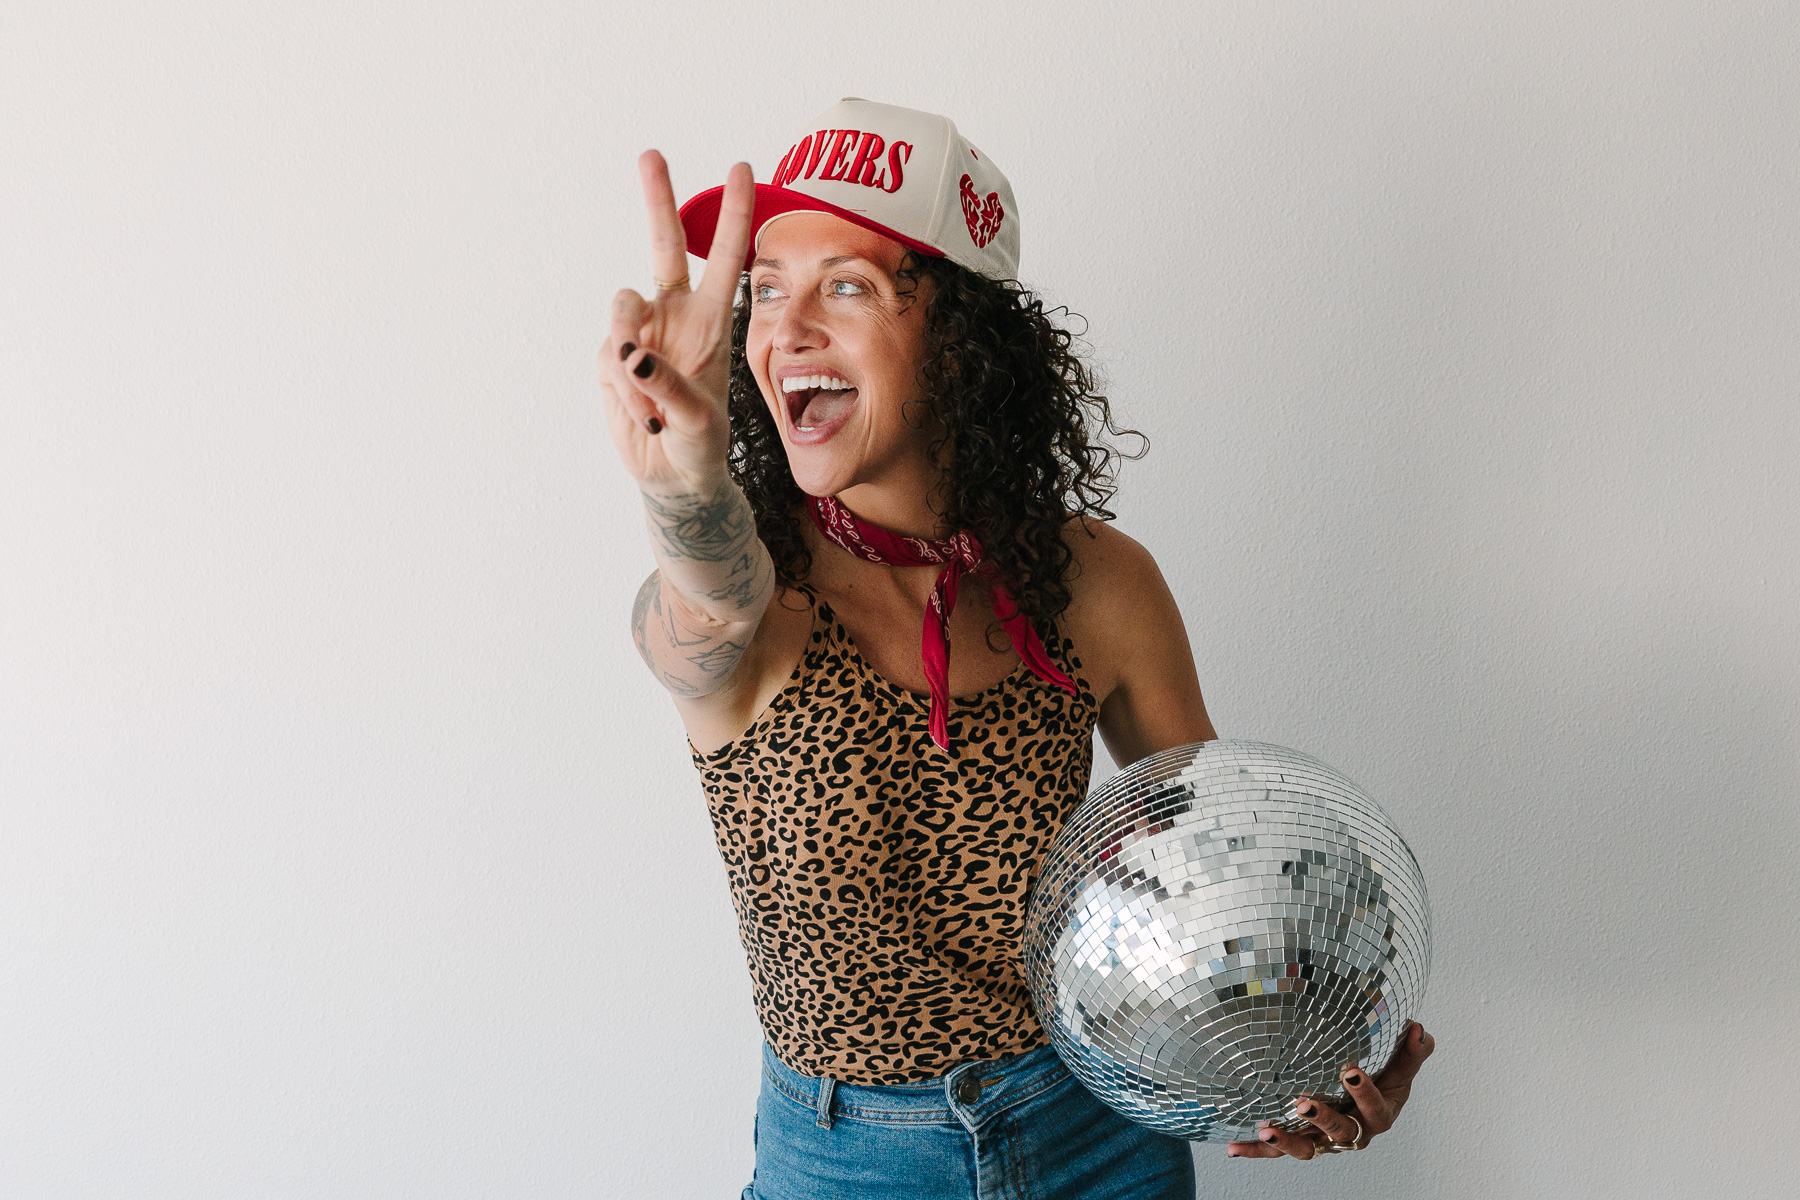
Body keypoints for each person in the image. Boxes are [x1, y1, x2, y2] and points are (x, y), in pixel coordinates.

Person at [599, 99, 1434, 1200]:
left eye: (844, 285)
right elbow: (700, 600)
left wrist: (1318, 1059)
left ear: (961, 333)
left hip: (1101, 1139)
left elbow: (1224, 890)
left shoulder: (1099, 584)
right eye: (764, 290)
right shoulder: (760, 596)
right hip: (848, 1162)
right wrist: (690, 483)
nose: (783, 330)